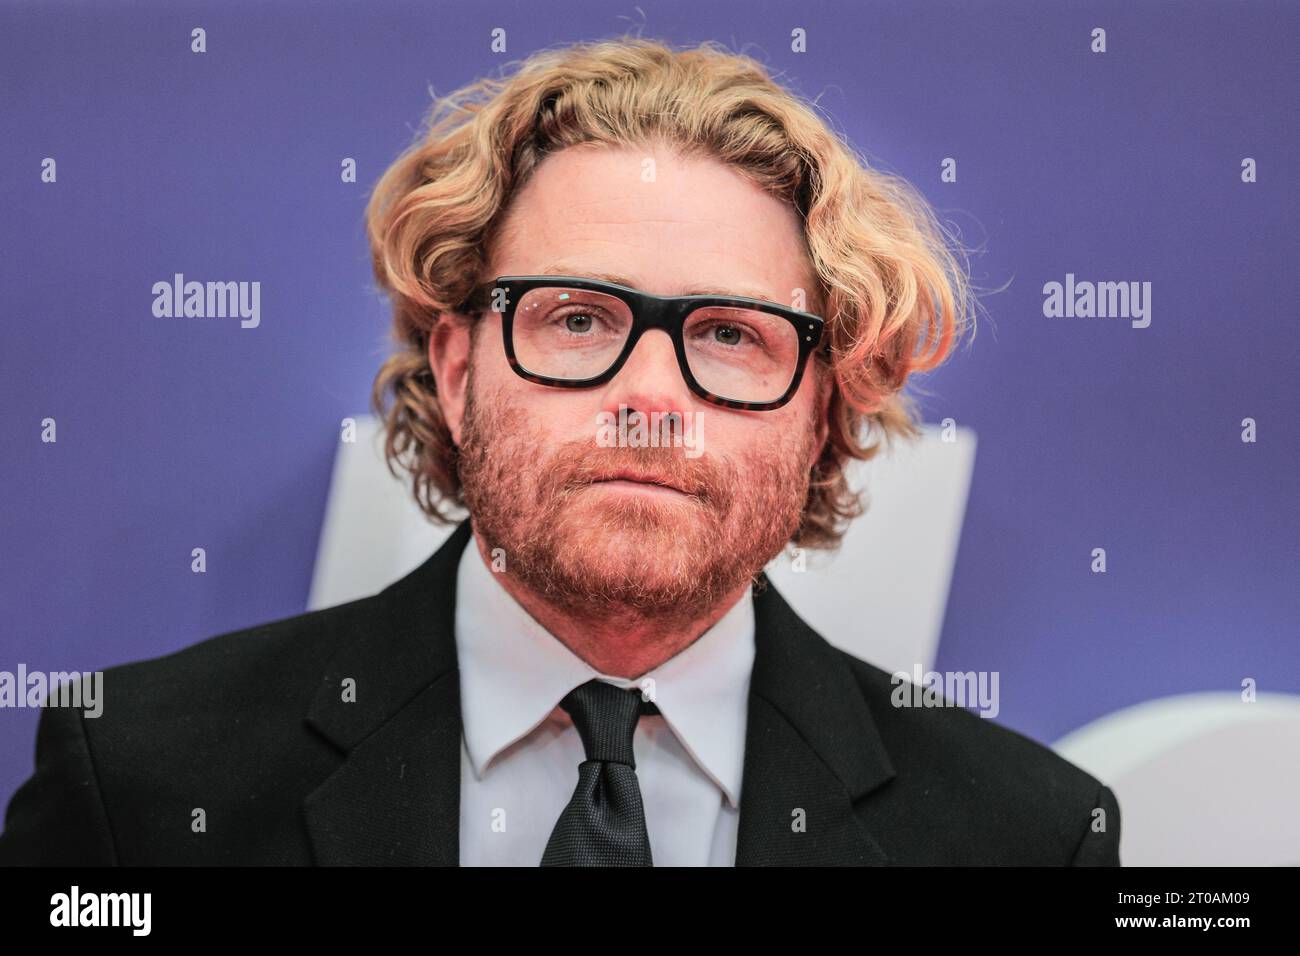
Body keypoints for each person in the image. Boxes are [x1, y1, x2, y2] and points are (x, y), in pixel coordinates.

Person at [0, 36, 1119, 866]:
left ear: (823, 407)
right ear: (454, 363)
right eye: (577, 318)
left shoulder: (1024, 837)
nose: (647, 397)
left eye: (730, 335)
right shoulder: (139, 783)